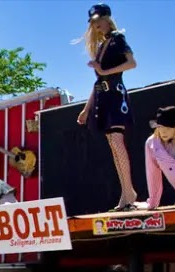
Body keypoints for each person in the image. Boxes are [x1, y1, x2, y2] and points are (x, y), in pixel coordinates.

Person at [75, 4, 140, 211]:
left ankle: (128, 192)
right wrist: (87, 108)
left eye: (99, 21)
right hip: (103, 95)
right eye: (93, 24)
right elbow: (99, 81)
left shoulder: (118, 39)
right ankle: (126, 191)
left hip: (115, 95)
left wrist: (103, 69)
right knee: (113, 144)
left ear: (107, 18)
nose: (96, 26)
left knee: (117, 142)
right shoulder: (103, 45)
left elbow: (131, 63)